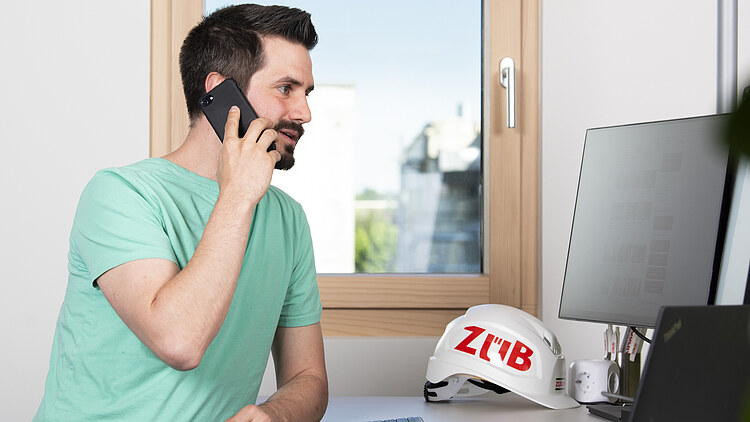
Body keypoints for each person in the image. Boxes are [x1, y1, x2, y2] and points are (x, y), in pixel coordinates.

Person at [33, 4, 327, 421]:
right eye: (286, 89)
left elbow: (308, 377)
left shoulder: (288, 219)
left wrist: (274, 415)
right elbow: (179, 342)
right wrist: (238, 195)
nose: (304, 112)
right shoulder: (121, 194)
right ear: (223, 93)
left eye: (307, 93)